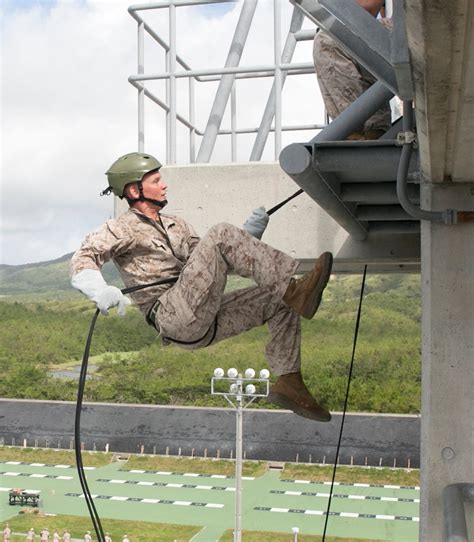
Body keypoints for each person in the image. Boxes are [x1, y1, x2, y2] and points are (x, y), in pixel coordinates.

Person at [71, 152, 333, 421]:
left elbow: (210, 265)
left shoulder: (178, 225)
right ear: (134, 189)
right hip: (172, 314)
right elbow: (84, 256)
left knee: (279, 300)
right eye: (156, 180)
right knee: (221, 234)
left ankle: (290, 383)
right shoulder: (120, 229)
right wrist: (98, 289)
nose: (164, 185)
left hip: (203, 316)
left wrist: (246, 238)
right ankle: (296, 291)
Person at [313, 0, 391, 140]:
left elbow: (366, 8)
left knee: (331, 39)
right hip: (421, 33)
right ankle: (371, 130)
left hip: (421, 34)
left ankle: (352, 131)